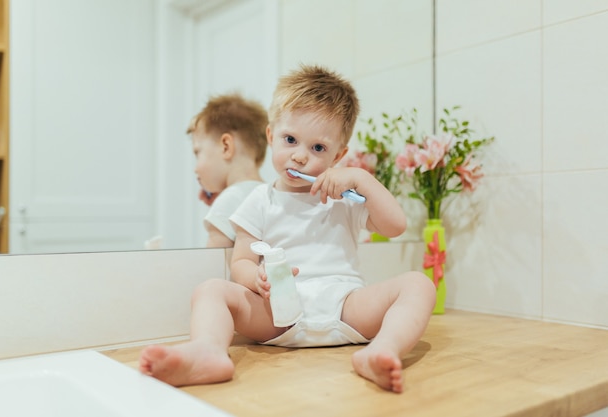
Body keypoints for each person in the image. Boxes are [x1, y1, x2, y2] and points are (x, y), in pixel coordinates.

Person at [139, 65, 436, 393]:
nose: (299, 156)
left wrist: (362, 179)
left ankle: (382, 349)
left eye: (318, 148)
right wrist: (256, 280)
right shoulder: (259, 199)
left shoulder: (345, 198)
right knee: (210, 289)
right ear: (271, 136)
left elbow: (396, 226)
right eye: (290, 140)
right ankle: (208, 351)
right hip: (279, 312)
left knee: (418, 284)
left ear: (339, 154)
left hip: (346, 308)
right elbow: (240, 262)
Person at [188, 93, 268, 247]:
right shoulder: (269, 193)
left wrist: (222, 205)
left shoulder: (229, 200)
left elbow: (213, 267)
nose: (195, 169)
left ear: (226, 146)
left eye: (198, 153)